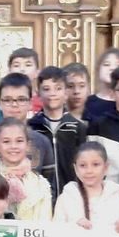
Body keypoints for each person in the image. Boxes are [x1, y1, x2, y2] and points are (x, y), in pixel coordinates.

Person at [0, 73, 55, 178]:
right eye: (8, 100)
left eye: (21, 99)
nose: (14, 105)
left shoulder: (42, 142)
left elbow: (50, 183)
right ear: (0, 103)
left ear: (30, 103)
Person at [29, 66, 86, 201]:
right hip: (40, 198)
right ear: (38, 93)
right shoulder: (32, 127)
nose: (52, 93)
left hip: (71, 198)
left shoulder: (77, 128)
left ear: (66, 93)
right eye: (46, 89)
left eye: (58, 88)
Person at [0, 119, 52, 221]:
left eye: (19, 141)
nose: (13, 146)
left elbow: (47, 221)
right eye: (6, 141)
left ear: (28, 145)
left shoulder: (41, 184)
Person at [83, 48, 119, 124]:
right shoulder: (86, 103)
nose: (112, 68)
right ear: (98, 69)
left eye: (118, 65)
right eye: (106, 64)